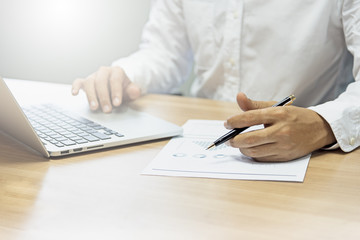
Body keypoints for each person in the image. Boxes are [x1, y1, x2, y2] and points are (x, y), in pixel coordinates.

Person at [72, 0, 360, 162]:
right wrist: (125, 74)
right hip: (206, 141)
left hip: (313, 158)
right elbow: (165, 52)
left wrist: (324, 124)